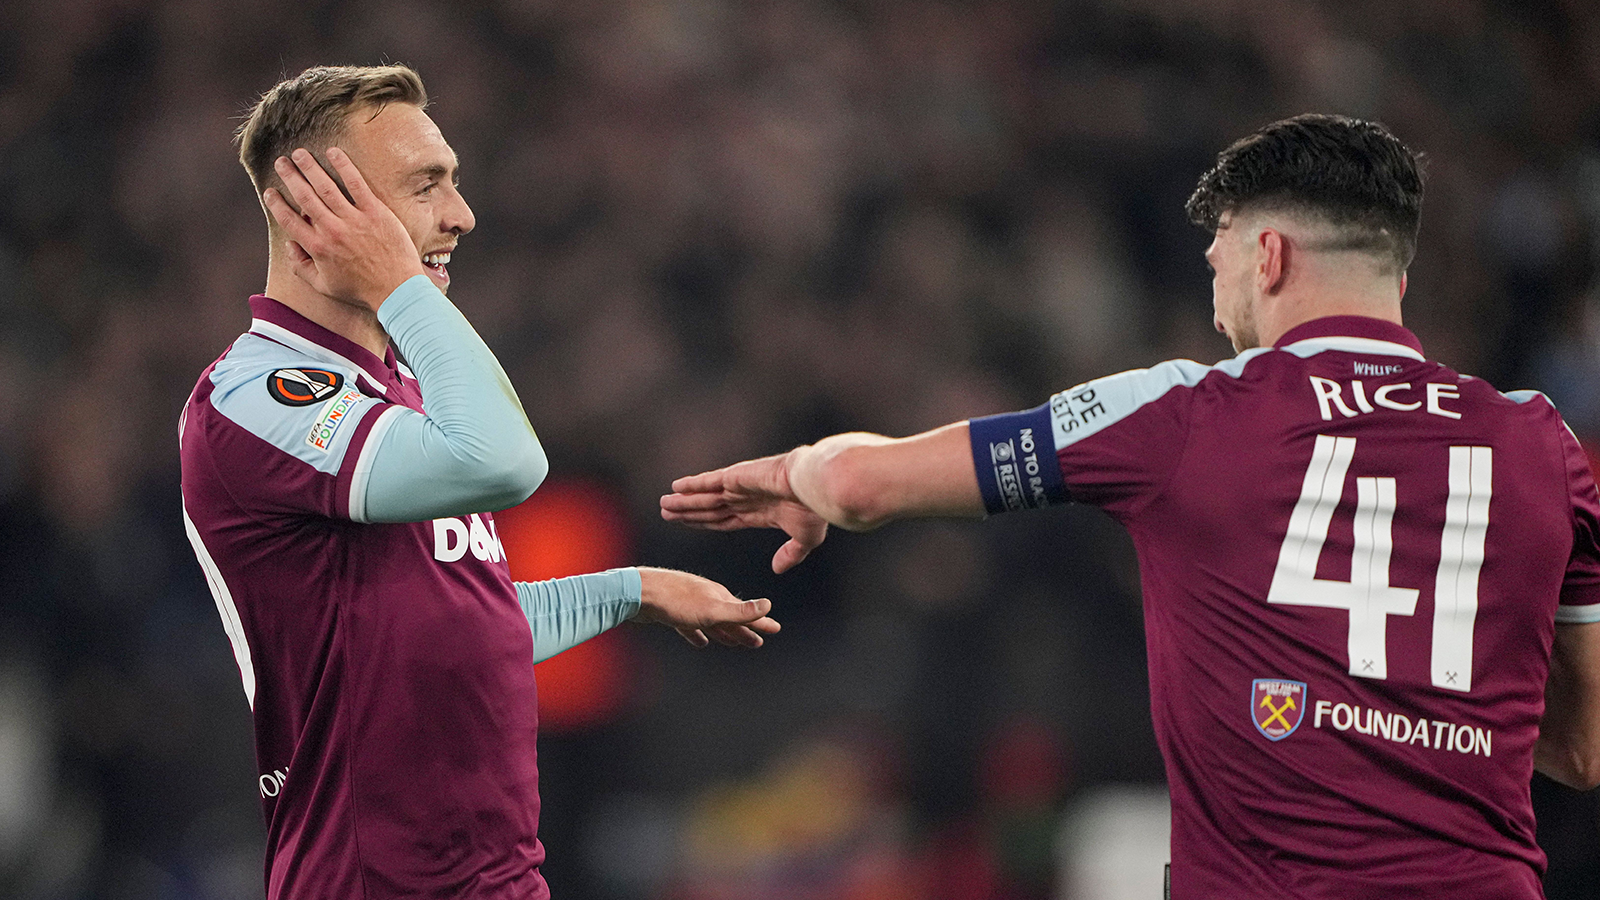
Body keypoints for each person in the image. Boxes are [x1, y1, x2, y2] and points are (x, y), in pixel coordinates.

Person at [661, 114, 1600, 899]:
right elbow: (1582, 747)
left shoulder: (1184, 414)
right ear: (1394, 276)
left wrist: (801, 473)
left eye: (1220, 249)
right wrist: (1428, 722)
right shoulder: (1543, 443)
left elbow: (869, 483)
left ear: (1268, 256)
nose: (1214, 275)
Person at [179, 65, 779, 900]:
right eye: (427, 185)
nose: (461, 215)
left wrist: (629, 591)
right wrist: (398, 284)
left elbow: (454, 623)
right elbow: (504, 463)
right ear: (317, 211)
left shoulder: (396, 396)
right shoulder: (254, 399)